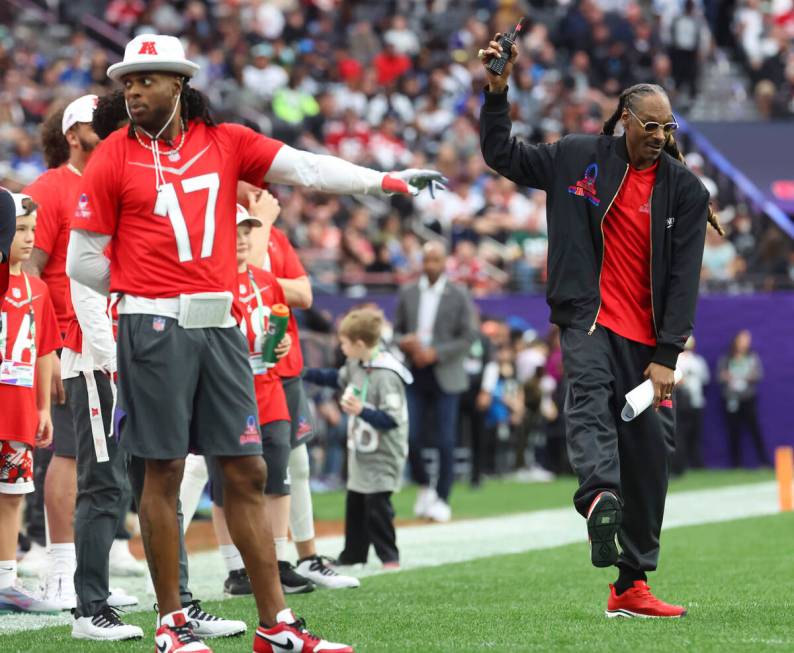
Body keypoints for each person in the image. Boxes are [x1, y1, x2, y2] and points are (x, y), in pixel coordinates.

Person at [66, 33, 442, 653]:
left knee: (246, 468)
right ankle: (172, 623)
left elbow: (309, 168)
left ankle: (276, 624)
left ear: (179, 84)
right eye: (127, 80)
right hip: (152, 325)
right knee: (160, 471)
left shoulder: (227, 141)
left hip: (220, 327)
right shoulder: (112, 157)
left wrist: (388, 181)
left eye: (146, 79)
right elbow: (84, 260)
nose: (132, 90)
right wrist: (146, 291)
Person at [480, 35, 717, 618]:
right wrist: (496, 91)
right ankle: (598, 500)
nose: (660, 136)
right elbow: (502, 154)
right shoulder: (575, 156)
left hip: (649, 347)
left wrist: (668, 354)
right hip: (589, 323)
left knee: (652, 455)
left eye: (668, 127)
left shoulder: (686, 191)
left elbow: (684, 278)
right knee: (588, 402)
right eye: (650, 125)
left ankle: (629, 586)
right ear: (624, 119)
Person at [243, 181, 360, 591]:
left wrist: (270, 281)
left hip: (283, 364)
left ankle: (306, 556)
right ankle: (238, 566)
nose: (260, 187)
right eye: (250, 177)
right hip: (241, 365)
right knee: (207, 465)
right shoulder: (228, 227)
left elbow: (304, 293)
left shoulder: (274, 235)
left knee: (296, 462)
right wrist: (271, 280)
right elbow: (248, 281)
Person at [18, 96, 103, 591]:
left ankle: (95, 563)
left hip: (112, 335)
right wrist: (44, 351)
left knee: (105, 461)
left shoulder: (116, 182)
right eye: (98, 125)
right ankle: (61, 568)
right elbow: (27, 274)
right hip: (68, 339)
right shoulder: (49, 189)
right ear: (72, 134)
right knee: (69, 454)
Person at [206, 196, 310, 596]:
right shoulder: (211, 281)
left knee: (278, 476)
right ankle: (235, 568)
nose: (241, 239)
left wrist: (279, 346)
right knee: (225, 480)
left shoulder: (267, 281)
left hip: (269, 387)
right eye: (233, 232)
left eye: (246, 231)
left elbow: (273, 329)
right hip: (228, 391)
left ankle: (279, 558)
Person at [304, 307, 412, 568]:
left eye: (344, 343)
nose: (340, 348)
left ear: (360, 343)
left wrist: (361, 410)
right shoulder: (356, 364)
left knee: (377, 504)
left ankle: (389, 556)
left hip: (384, 450)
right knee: (355, 501)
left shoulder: (386, 375)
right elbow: (336, 378)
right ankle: (353, 554)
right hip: (362, 449)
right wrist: (303, 372)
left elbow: (392, 418)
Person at [0, 194, 61, 613]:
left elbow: (43, 352)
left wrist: (43, 409)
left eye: (32, 230)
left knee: (12, 495)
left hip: (19, 411)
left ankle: (6, 580)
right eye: (20, 229)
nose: (28, 238)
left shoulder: (38, 289)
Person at [393, 241, 478, 523]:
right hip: (415, 370)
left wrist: (437, 352)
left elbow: (468, 337)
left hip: (445, 371)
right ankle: (424, 486)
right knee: (411, 434)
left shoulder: (459, 293)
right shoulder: (408, 292)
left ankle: (442, 497)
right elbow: (396, 332)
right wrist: (407, 343)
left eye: (436, 260)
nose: (431, 266)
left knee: (445, 439)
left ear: (445, 263)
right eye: (427, 260)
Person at [718, 329, 770, 467]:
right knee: (733, 431)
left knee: (754, 429)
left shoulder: (752, 357)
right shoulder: (727, 358)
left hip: (748, 398)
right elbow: (719, 376)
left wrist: (747, 376)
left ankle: (764, 461)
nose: (745, 343)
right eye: (742, 339)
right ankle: (736, 464)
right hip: (732, 399)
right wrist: (727, 376)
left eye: (747, 340)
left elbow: (758, 375)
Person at [673, 336, 710, 474]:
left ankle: (687, 465)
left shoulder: (679, 360)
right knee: (689, 436)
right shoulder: (698, 361)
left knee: (683, 435)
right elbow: (705, 380)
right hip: (690, 402)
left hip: (686, 402)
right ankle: (690, 464)